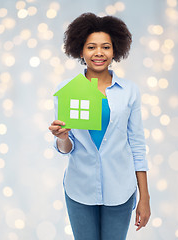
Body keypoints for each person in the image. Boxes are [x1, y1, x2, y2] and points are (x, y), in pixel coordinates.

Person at [49, 12, 151, 240]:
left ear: (115, 50)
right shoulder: (68, 90)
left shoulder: (129, 91)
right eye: (91, 47)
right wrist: (62, 137)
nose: (98, 53)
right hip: (79, 189)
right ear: (81, 50)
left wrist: (145, 197)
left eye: (105, 47)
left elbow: (137, 144)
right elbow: (66, 148)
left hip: (121, 190)